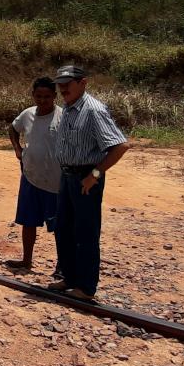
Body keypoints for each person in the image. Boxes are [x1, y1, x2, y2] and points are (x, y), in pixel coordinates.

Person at [50, 64, 130, 300]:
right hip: (67, 176)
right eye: (60, 84)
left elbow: (120, 146)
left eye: (68, 84)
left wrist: (94, 175)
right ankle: (70, 278)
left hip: (86, 179)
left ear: (83, 83)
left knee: (85, 232)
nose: (63, 88)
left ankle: (86, 287)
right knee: (64, 229)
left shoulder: (93, 110)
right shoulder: (68, 107)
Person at [5, 77, 63, 271]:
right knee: (28, 221)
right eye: (39, 96)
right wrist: (17, 149)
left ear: (55, 96)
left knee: (59, 226)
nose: (43, 100)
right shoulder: (27, 114)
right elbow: (13, 129)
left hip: (55, 180)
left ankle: (62, 266)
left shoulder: (63, 117)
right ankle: (26, 260)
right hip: (30, 176)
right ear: (33, 96)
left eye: (47, 96)